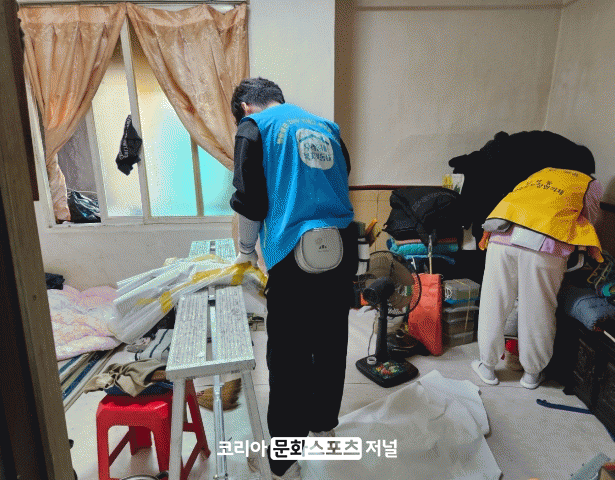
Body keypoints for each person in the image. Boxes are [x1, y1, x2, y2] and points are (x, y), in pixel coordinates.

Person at [229, 77, 358, 480]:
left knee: (289, 357)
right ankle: (323, 422)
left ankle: (284, 463)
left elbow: (250, 201)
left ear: (245, 107)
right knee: (331, 341)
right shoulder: (327, 127)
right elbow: (339, 182)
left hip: (295, 254)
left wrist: (246, 253)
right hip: (341, 247)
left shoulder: (254, 128)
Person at [471, 167, 603, 390]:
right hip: (546, 245)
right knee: (538, 309)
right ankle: (532, 374)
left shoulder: (540, 174)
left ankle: (487, 367)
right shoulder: (589, 183)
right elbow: (589, 219)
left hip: (503, 235)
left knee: (494, 302)